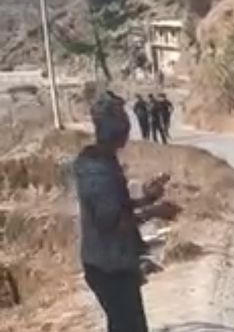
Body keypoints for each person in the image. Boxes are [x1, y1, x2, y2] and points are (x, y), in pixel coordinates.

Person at [73, 91, 178, 332]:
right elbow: (112, 221)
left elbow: (117, 208)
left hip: (113, 264)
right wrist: (154, 211)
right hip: (108, 268)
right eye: (122, 119)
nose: (127, 125)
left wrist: (147, 198)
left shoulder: (103, 161)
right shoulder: (97, 170)